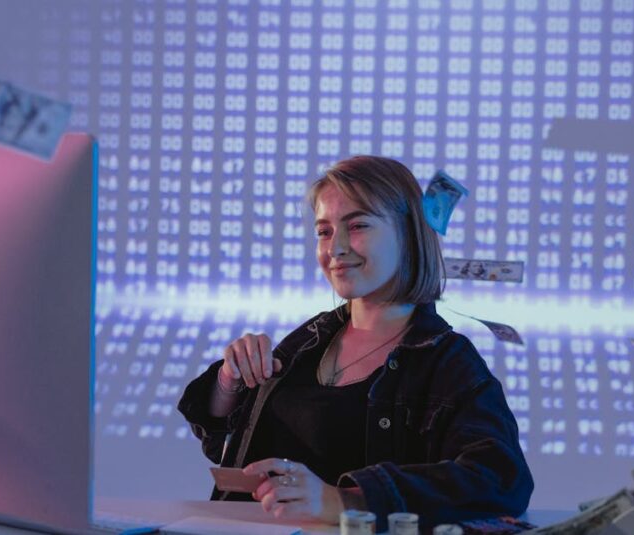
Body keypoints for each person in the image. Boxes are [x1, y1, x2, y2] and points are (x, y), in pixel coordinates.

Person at [178, 156, 533, 531]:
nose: (336, 249)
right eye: (324, 231)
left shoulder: (447, 360)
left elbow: (500, 479)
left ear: (409, 232)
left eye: (358, 225)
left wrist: (346, 500)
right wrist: (228, 384)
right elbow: (231, 450)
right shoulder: (306, 342)